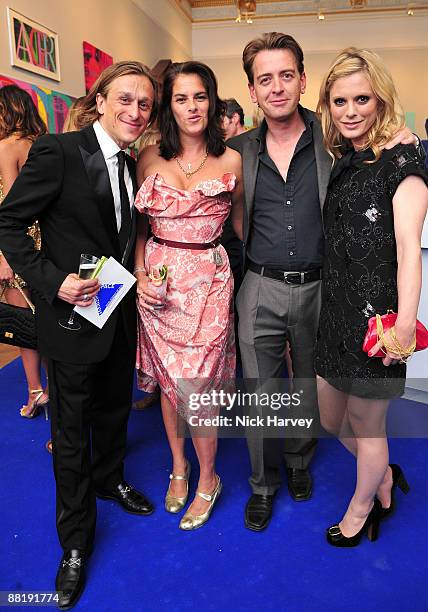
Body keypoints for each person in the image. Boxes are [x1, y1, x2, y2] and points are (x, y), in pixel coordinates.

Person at [227, 32, 418, 532]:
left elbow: (387, 153)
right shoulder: (237, 151)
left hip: (325, 291)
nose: (276, 87)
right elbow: (228, 215)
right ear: (251, 90)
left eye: (286, 75)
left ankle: (298, 462)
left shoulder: (335, 138)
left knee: (316, 395)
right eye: (264, 79)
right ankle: (262, 484)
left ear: (303, 80)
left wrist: (409, 139)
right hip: (261, 285)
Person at [0, 61, 158, 609]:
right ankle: (74, 542)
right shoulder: (59, 152)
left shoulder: (132, 161)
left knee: (114, 406)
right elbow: (9, 222)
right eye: (126, 99)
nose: (135, 111)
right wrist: (51, 282)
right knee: (70, 431)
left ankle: (110, 478)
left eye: (144, 104)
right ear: (100, 99)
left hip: (117, 307)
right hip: (70, 317)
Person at [315, 47, 428, 546]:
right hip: (336, 313)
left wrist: (404, 325)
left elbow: (409, 250)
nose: (351, 110)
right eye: (340, 101)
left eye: (362, 98)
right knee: (327, 417)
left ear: (381, 100)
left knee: (368, 426)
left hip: (377, 323)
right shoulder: (347, 158)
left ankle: (363, 508)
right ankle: (381, 475)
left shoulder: (404, 159)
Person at [134, 60, 243, 530]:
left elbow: (242, 227)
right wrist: (141, 274)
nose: (192, 106)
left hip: (209, 281)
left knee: (197, 385)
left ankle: (209, 478)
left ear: (212, 100)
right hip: (159, 283)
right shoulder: (148, 157)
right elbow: (139, 227)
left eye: (200, 97)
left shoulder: (232, 159)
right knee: (169, 380)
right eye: (181, 98)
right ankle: (178, 466)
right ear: (168, 105)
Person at [0, 85, 48, 417]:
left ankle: (36, 392)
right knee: (49, 321)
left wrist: (5, 255)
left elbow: (11, 207)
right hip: (48, 244)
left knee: (23, 324)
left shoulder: (7, 147)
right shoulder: (44, 145)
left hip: (19, 246)